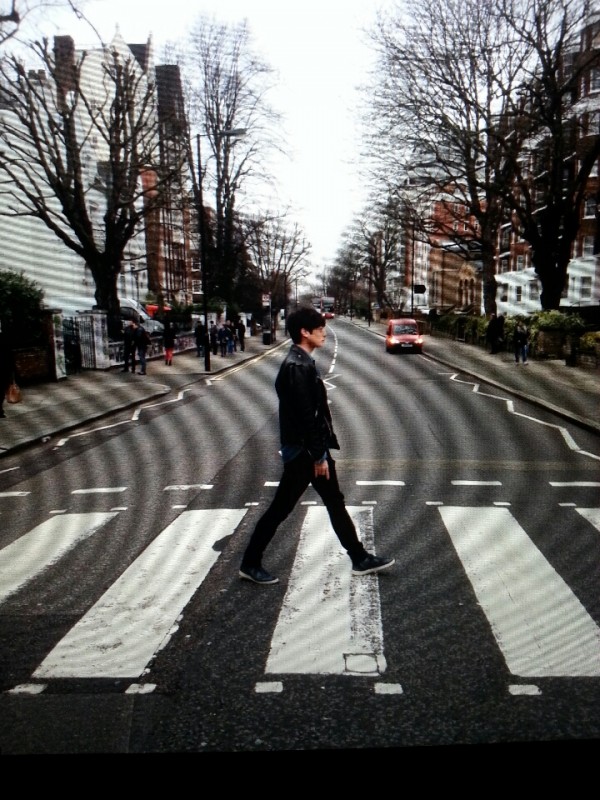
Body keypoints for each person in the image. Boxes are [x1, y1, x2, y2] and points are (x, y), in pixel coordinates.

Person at [239, 305, 395, 585]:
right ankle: (250, 563)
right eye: (320, 328)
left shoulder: (301, 362)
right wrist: (319, 457)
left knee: (334, 502)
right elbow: (306, 416)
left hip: (308, 450)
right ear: (304, 332)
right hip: (305, 453)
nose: (324, 332)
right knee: (281, 509)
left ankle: (359, 557)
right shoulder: (296, 367)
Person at [0, 329, 15, 419]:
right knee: (1, 392)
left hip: (4, 370)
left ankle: (0, 410)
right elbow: (10, 356)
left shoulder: (4, 339)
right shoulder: (4, 339)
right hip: (4, 370)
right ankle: (0, 411)